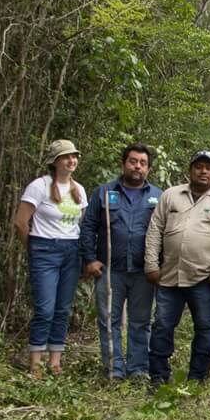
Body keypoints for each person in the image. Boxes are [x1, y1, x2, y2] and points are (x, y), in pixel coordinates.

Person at [145, 150, 210, 385]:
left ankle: (196, 378)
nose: (203, 171)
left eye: (209, 167)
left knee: (205, 328)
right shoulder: (171, 196)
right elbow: (155, 229)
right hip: (170, 276)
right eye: (198, 166)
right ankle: (158, 376)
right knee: (162, 326)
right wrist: (150, 263)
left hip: (204, 278)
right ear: (190, 170)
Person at [80, 143, 162, 379]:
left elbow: (167, 233)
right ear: (123, 163)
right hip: (109, 270)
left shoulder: (158, 196)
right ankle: (114, 369)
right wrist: (90, 259)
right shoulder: (104, 192)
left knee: (141, 322)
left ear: (148, 168)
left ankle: (137, 369)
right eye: (133, 161)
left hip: (143, 272)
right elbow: (88, 227)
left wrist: (160, 266)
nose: (137, 166)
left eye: (143, 163)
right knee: (109, 321)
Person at [14, 139, 88, 378]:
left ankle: (55, 360)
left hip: (71, 251)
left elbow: (81, 224)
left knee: (62, 308)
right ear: (55, 162)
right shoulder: (39, 186)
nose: (71, 160)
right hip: (44, 249)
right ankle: (35, 361)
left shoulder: (79, 189)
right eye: (66, 157)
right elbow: (21, 222)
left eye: (74, 156)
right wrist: (34, 249)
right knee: (44, 308)